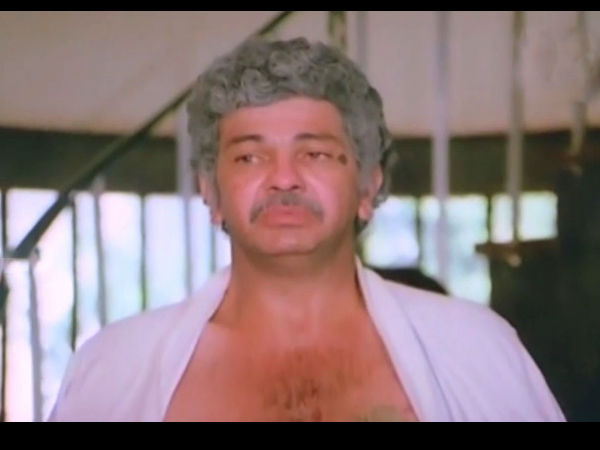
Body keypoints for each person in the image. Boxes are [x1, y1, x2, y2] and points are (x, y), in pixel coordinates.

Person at [49, 37, 565, 422]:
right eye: (250, 157)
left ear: (368, 186)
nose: (284, 178)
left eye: (315, 153)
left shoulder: (476, 349)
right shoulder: (114, 367)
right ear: (210, 191)